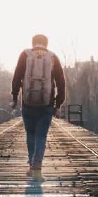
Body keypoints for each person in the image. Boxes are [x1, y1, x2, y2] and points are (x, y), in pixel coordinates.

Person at [11, 34, 66, 181]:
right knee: (41, 136)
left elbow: (17, 77)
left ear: (33, 43)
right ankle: (36, 168)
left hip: (28, 103)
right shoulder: (53, 57)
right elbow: (61, 82)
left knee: (30, 134)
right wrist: (58, 104)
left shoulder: (25, 55)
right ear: (46, 44)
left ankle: (32, 165)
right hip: (46, 104)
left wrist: (14, 98)